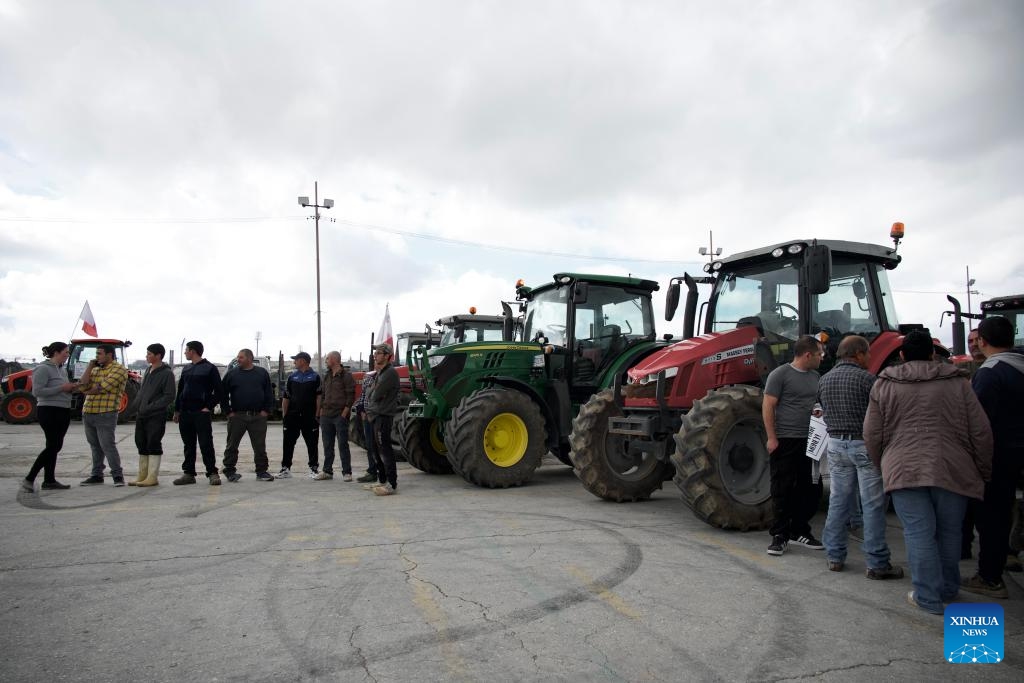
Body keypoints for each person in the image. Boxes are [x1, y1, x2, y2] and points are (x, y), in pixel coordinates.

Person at [864, 329, 992, 615]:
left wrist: (882, 464)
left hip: (903, 469)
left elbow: (872, 434)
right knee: (950, 532)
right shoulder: (959, 384)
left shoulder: (884, 385)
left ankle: (928, 597)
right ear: (933, 354)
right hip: (952, 468)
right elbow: (981, 432)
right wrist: (983, 469)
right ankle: (947, 588)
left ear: (900, 355)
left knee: (918, 533)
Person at [818, 335, 902, 579]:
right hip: (863, 445)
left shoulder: (824, 380)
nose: (870, 358)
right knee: (873, 505)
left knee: (838, 501)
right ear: (858, 354)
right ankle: (877, 563)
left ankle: (834, 556)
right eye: (868, 353)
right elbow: (881, 415)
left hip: (835, 444)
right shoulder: (869, 380)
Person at [961, 315, 1024, 599]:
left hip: (997, 456)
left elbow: (978, 422)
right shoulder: (1019, 367)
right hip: (1017, 453)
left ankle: (989, 577)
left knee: (992, 518)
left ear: (982, 341)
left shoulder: (990, 373)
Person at [763, 335, 825, 556]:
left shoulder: (816, 376)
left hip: (811, 441)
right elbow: (768, 406)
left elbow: (816, 402)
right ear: (807, 355)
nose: (821, 358)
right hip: (786, 439)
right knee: (783, 487)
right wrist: (772, 438)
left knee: (812, 487)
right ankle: (779, 535)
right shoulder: (780, 375)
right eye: (819, 354)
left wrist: (818, 411)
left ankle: (800, 530)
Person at [21, 342, 77, 492]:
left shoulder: (62, 370)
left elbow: (61, 389)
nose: (67, 355)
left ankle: (49, 480)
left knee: (53, 446)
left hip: (63, 410)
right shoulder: (43, 369)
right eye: (65, 352)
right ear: (56, 353)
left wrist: (70, 389)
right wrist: (62, 388)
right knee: (54, 445)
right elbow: (37, 392)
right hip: (49, 410)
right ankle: (29, 478)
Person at [78, 343, 130, 486]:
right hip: (89, 411)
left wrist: (87, 391)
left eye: (99, 354)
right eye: (96, 354)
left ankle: (117, 476)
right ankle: (96, 475)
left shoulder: (119, 369)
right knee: (95, 446)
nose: (96, 357)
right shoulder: (94, 369)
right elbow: (82, 385)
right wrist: (89, 367)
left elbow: (102, 387)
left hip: (105, 413)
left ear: (109, 355)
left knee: (107, 445)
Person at [173, 341, 224, 486]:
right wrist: (177, 410)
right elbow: (181, 391)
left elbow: (219, 391)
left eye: (186, 350)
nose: (185, 353)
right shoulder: (187, 368)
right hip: (185, 413)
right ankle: (189, 474)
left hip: (201, 413)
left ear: (193, 351)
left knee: (205, 443)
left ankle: (212, 473)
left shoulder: (210, 368)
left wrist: (208, 407)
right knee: (188, 445)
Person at [221, 348, 276, 482]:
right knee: (232, 445)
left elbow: (269, 393)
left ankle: (262, 471)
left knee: (259, 446)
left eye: (241, 357)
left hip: (257, 416)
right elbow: (222, 393)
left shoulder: (261, 373)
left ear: (249, 359)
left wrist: (266, 411)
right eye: (238, 357)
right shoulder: (232, 374)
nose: (238, 359)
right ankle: (229, 470)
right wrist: (228, 412)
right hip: (237, 416)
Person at [130, 343, 176, 487]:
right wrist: (135, 408)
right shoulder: (148, 370)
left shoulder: (167, 373)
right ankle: (142, 474)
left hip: (155, 415)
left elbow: (169, 396)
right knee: (141, 443)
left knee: (153, 442)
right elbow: (142, 392)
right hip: (141, 414)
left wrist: (151, 407)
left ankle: (152, 476)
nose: (147, 356)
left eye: (149, 354)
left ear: (158, 356)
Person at [278, 351, 322, 478]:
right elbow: (286, 398)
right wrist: (284, 416)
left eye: (296, 360)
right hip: (292, 416)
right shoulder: (292, 377)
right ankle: (285, 469)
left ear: (303, 361)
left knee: (312, 443)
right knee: (288, 443)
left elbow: (319, 398)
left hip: (309, 416)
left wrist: (317, 415)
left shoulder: (315, 377)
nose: (294, 362)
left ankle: (313, 469)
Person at [316, 350, 356, 481]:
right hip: (326, 415)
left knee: (342, 444)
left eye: (327, 359)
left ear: (334, 359)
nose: (326, 361)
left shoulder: (346, 376)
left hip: (340, 415)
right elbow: (323, 394)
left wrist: (345, 412)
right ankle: (327, 471)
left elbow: (351, 395)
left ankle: (347, 472)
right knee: (327, 444)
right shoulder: (327, 376)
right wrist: (321, 410)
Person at [367, 343, 400, 496]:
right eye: (375, 352)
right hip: (375, 415)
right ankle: (382, 480)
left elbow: (374, 394)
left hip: (383, 416)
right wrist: (374, 391)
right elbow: (369, 394)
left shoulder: (390, 373)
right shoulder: (381, 373)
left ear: (387, 356)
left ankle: (391, 484)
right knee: (375, 449)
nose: (375, 355)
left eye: (379, 353)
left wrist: (375, 391)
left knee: (384, 450)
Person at [354, 368, 381, 484]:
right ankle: (372, 471)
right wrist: (361, 409)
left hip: (375, 415)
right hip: (367, 414)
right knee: (370, 445)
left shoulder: (385, 377)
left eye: (378, 355)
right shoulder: (370, 376)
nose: (375, 358)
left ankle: (380, 472)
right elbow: (364, 395)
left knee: (377, 445)